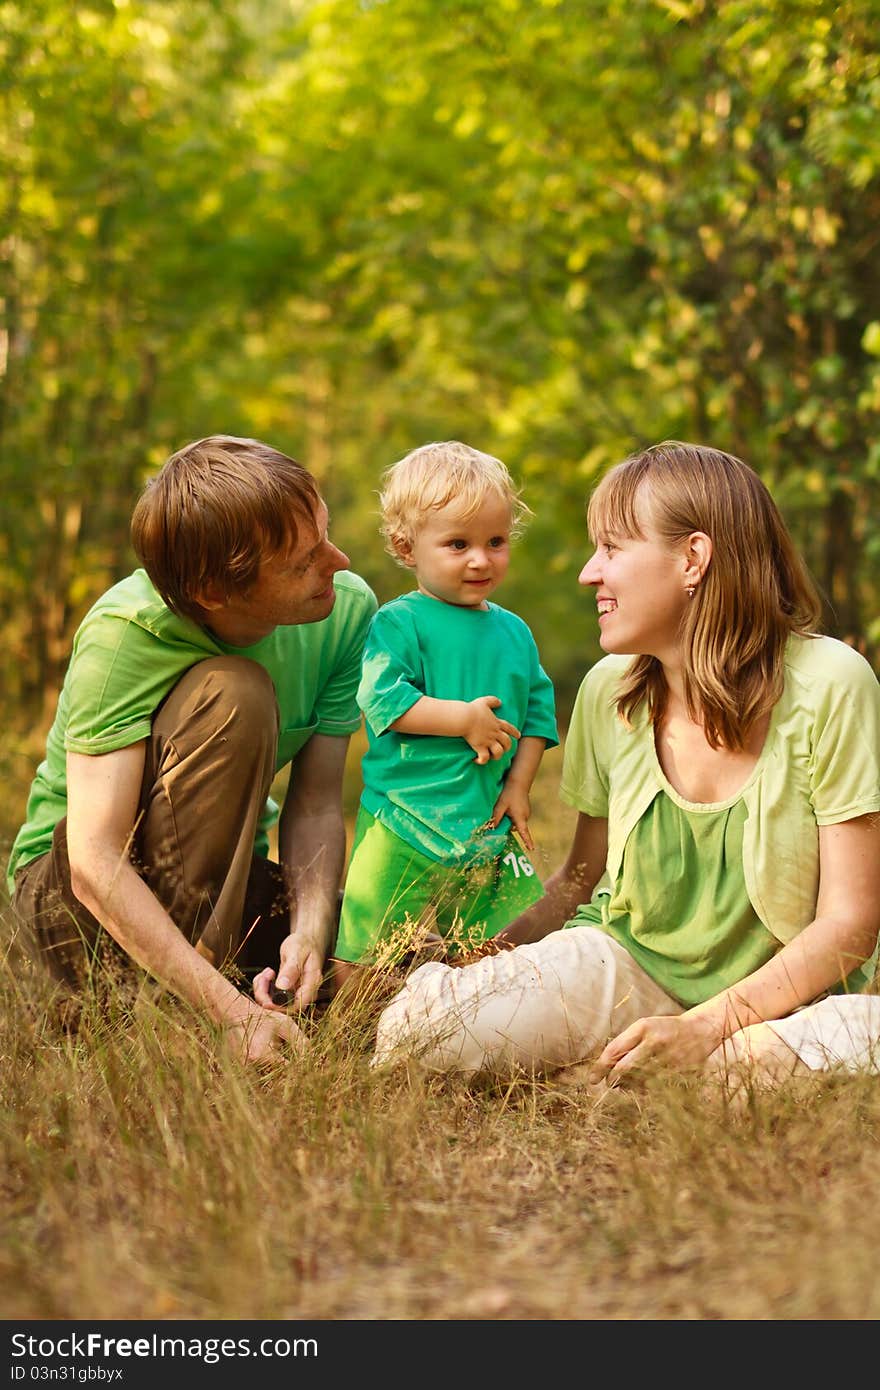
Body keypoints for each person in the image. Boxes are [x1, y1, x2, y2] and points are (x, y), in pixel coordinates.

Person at [373, 441, 880, 1084]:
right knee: (419, 1030)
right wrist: (487, 964)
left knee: (811, 1050)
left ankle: (666, 1071)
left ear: (693, 558)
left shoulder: (833, 682)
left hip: (781, 1008)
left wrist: (703, 1029)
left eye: (611, 548)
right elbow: (583, 879)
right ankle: (659, 1073)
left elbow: (850, 924)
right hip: (627, 967)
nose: (590, 573)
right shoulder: (611, 689)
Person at [8, 435, 376, 1063]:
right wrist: (228, 1012)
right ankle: (181, 1013)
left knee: (371, 951)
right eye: (302, 561)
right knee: (237, 693)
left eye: (326, 536)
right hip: (69, 914)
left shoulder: (343, 612)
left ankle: (220, 994)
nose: (337, 562)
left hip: (220, 892)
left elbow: (314, 806)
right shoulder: (124, 634)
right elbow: (93, 861)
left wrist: (309, 935)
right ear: (213, 591)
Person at [328, 441, 558, 990]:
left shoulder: (514, 632)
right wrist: (463, 721)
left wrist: (520, 786)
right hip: (403, 818)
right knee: (367, 952)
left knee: (501, 949)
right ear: (407, 548)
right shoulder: (399, 623)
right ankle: (348, 1028)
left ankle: (459, 1021)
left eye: (495, 542)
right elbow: (383, 700)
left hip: (484, 823)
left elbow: (537, 716)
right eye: (458, 544)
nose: (481, 559)